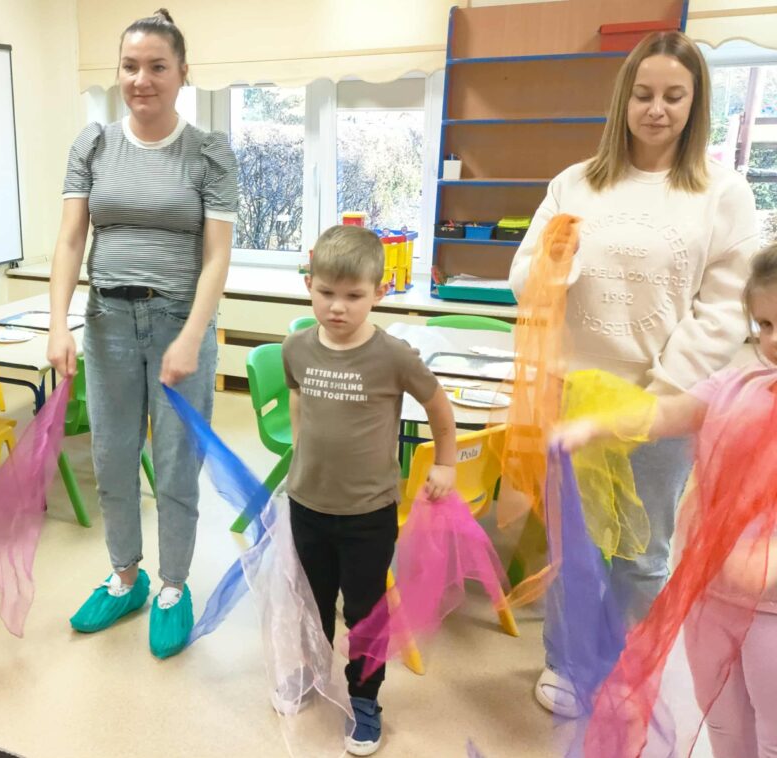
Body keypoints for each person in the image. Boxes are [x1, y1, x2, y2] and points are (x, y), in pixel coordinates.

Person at [508, 30, 759, 718]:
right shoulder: (576, 183)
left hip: (660, 399)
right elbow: (524, 278)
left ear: (695, 104)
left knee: (642, 553)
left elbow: (727, 306)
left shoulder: (722, 193)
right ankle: (565, 659)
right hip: (573, 395)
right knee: (575, 544)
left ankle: (629, 668)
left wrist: (660, 394)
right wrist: (558, 262)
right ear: (623, 99)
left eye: (674, 96)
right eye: (644, 94)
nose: (657, 109)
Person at [46, 8, 237, 659]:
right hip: (107, 324)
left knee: (178, 463)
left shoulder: (208, 152)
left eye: (157, 66)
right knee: (112, 457)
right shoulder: (94, 145)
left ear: (183, 72)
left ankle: (174, 586)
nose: (141, 79)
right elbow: (71, 239)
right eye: (130, 66)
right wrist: (59, 323)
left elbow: (217, 255)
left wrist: (191, 334)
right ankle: (126, 576)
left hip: (179, 322)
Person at [557, 244, 777, 757]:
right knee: (724, 721)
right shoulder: (740, 384)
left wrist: (765, 565)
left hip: (771, 611)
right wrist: (594, 426)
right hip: (709, 594)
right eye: (765, 325)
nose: (773, 341)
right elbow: (664, 415)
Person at [279, 225, 458, 756]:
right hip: (308, 505)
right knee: (311, 603)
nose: (338, 307)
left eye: (353, 296)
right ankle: (313, 671)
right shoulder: (295, 347)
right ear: (309, 285)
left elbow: (438, 406)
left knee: (364, 613)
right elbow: (297, 398)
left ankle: (364, 699)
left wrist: (445, 462)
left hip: (367, 515)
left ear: (379, 293)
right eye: (326, 292)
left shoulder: (393, 355)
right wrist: (301, 451)